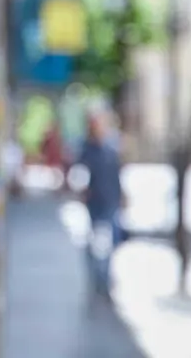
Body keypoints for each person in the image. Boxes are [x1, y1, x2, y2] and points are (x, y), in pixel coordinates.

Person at [74, 108, 124, 300]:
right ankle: (99, 279)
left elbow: (115, 173)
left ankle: (105, 279)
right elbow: (79, 175)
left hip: (111, 201)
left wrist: (122, 195)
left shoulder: (110, 149)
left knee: (111, 242)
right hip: (96, 203)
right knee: (97, 243)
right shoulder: (87, 150)